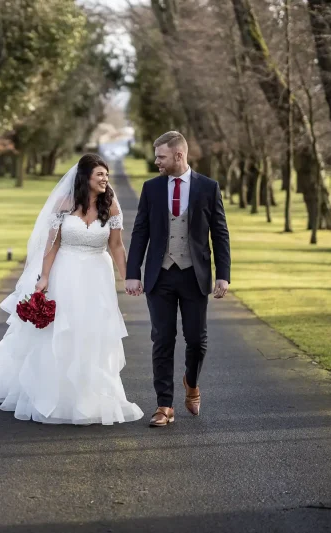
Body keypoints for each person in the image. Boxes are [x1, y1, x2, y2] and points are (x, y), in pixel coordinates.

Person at [0, 154, 143, 425]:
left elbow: (117, 246)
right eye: (100, 174)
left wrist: (128, 277)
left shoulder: (111, 206)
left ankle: (89, 394)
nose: (105, 179)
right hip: (66, 272)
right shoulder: (65, 204)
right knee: (62, 331)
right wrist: (44, 277)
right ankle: (53, 393)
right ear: (85, 177)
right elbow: (52, 244)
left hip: (97, 276)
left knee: (92, 332)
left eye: (106, 175)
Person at [125, 131, 231, 427]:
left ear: (179, 156)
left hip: (195, 276)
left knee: (197, 340)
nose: (156, 161)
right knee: (162, 339)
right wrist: (133, 274)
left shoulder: (208, 188)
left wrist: (223, 275)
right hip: (159, 277)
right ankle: (164, 405)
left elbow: (220, 233)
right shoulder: (151, 188)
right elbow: (140, 232)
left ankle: (192, 382)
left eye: (161, 156)